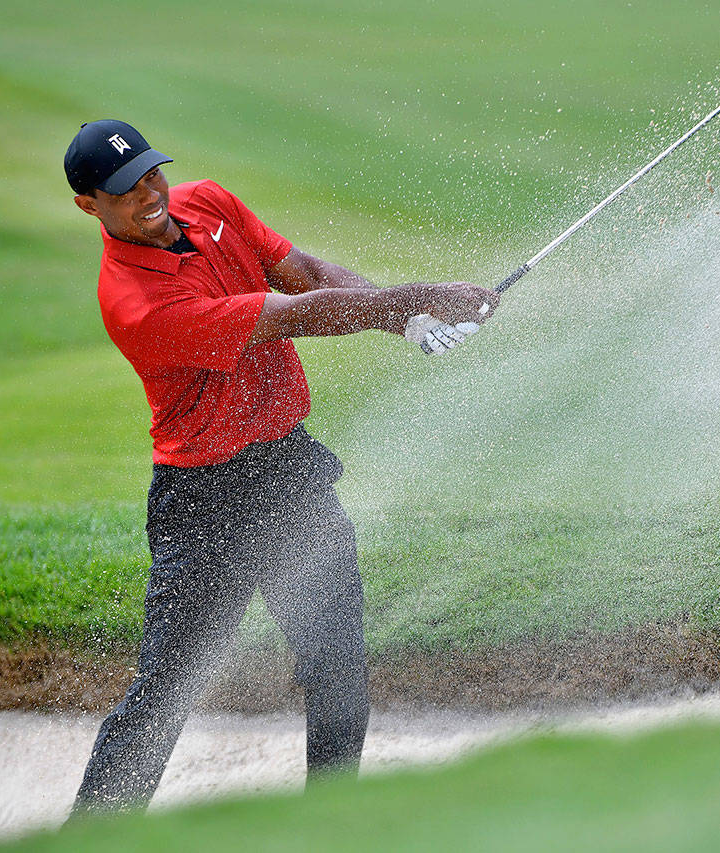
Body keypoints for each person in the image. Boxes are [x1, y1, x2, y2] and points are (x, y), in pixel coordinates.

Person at [61, 119, 499, 815]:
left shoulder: (208, 201)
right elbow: (295, 314)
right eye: (124, 189)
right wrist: (413, 301)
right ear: (89, 205)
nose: (148, 192)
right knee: (166, 693)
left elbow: (311, 276)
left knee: (338, 667)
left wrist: (404, 319)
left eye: (150, 173)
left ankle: (327, 825)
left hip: (288, 472)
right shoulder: (136, 302)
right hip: (204, 504)